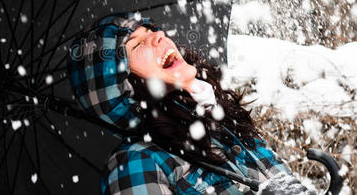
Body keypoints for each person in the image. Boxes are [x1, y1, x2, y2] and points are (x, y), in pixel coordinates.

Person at [67, 13, 314, 194]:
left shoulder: (225, 125)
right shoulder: (135, 163)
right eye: (137, 44)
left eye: (150, 30)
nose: (158, 36)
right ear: (123, 86)